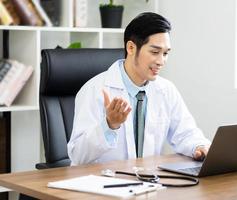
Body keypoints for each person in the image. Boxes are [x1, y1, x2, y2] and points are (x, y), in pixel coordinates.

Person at [67, 12, 211, 165]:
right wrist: (109, 125)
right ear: (131, 48)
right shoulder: (94, 90)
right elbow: (77, 155)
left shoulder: (166, 90)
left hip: (149, 182)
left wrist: (199, 146)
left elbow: (186, 133)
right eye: (155, 52)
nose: (161, 61)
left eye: (165, 53)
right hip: (104, 182)